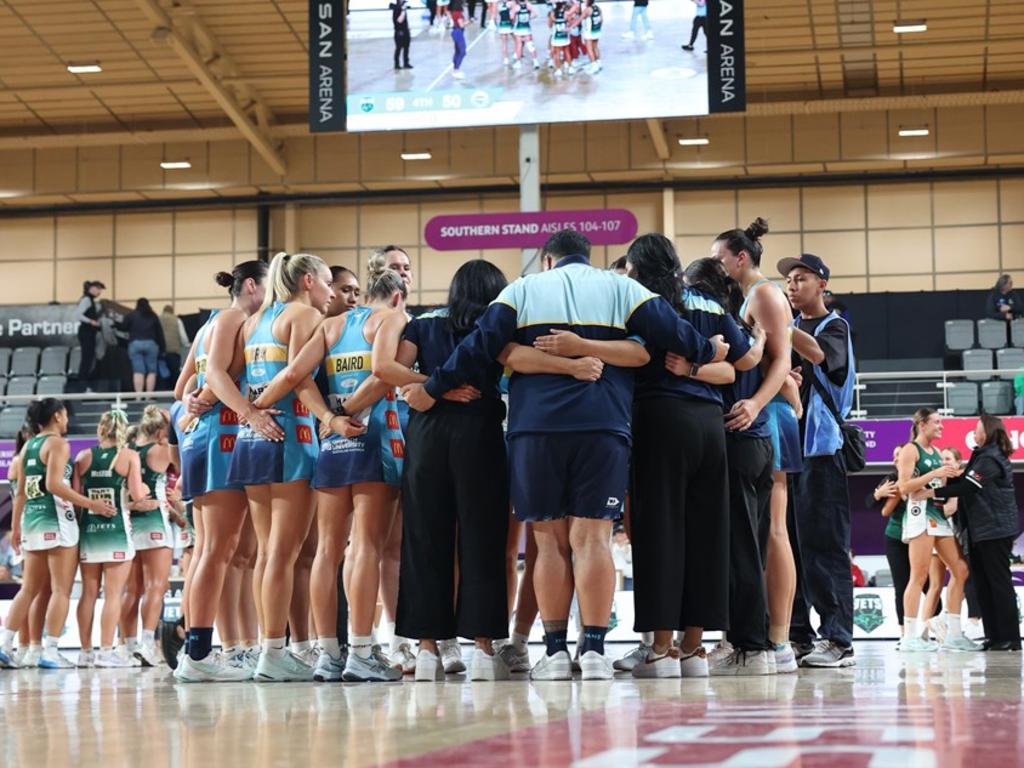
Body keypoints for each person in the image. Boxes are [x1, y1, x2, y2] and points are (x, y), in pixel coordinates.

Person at [403, 228, 727, 682]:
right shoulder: (622, 287)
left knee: (549, 542)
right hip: (603, 426)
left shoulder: (523, 288)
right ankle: (593, 652)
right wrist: (705, 349)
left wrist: (433, 389)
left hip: (536, 430)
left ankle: (555, 654)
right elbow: (676, 334)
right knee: (592, 540)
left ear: (549, 260)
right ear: (588, 257)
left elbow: (477, 349)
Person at [246, 266, 403, 683]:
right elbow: (383, 373)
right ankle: (363, 653)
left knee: (327, 552)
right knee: (365, 547)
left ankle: (328, 655)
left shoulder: (329, 327)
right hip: (374, 437)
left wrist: (320, 418)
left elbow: (297, 377)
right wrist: (349, 412)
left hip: (332, 443)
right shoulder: (390, 319)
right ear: (398, 297)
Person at [626, 245, 764, 679]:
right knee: (707, 535)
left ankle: (662, 650)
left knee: (660, 531)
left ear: (638, 268)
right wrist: (712, 357)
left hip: (659, 420)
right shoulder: (708, 301)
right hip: (710, 425)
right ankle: (695, 648)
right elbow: (739, 362)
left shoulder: (641, 301)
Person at [223, 252, 334, 683]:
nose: (329, 292)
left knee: (268, 555)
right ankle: (273, 651)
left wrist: (249, 412)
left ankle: (268, 647)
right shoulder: (304, 315)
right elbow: (297, 377)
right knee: (283, 556)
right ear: (308, 281)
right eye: (326, 282)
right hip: (289, 435)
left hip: (253, 440)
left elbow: (229, 374)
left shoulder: (255, 321)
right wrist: (267, 407)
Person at [173, 261, 271, 683]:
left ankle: (227, 649)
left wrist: (195, 401)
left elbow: (180, 391)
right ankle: (197, 652)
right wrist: (209, 398)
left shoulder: (206, 325)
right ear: (251, 285)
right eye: (269, 287)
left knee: (224, 551)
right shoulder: (235, 317)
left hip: (204, 437)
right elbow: (219, 374)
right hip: (222, 436)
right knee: (219, 549)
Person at [713, 219, 800, 673]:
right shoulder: (749, 297)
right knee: (760, 531)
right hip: (762, 411)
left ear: (740, 257)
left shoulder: (764, 293)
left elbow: (783, 359)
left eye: (720, 257)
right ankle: (763, 636)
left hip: (766, 416)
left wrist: (755, 402)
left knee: (773, 532)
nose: (716, 265)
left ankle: (778, 641)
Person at [779, 253, 857, 668]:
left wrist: (780, 324)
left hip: (821, 450)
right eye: (788, 281)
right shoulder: (785, 331)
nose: (792, 286)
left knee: (824, 546)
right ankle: (798, 635)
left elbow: (821, 357)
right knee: (787, 544)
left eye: (801, 278)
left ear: (822, 284)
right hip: (786, 448)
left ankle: (838, 639)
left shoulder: (834, 326)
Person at [0, 399, 116, 669]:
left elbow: (19, 494)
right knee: (60, 591)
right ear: (56, 416)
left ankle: (6, 644)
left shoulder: (29, 445)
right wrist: (91, 504)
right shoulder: (58, 444)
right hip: (56, 521)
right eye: (65, 414)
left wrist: (16, 527)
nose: (67, 420)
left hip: (32, 521)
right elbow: (54, 484)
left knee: (29, 589)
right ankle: (49, 651)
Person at [932, 415, 1023, 651]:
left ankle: (1010, 638)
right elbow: (965, 481)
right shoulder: (982, 454)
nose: (974, 431)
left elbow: (969, 486)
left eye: (977, 428)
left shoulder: (991, 458)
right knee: (983, 584)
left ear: (988, 432)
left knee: (999, 583)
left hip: (995, 529)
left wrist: (932, 492)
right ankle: (993, 636)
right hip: (981, 530)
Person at [895, 408, 978, 652]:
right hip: (919, 516)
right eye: (937, 422)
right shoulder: (911, 449)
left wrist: (948, 478)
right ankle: (910, 637)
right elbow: (904, 488)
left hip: (938, 517)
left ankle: (953, 633)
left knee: (961, 570)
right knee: (918, 576)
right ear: (922, 424)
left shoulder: (936, 452)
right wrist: (935, 473)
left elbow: (934, 485)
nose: (941, 426)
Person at [74, 409, 151, 669]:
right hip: (116, 533)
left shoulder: (83, 457)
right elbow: (139, 496)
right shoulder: (129, 456)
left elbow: (75, 499)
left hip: (88, 532)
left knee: (88, 593)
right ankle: (106, 652)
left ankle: (85, 653)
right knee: (114, 594)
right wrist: (147, 491)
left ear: (100, 429)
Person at [122, 406, 175, 667]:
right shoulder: (161, 450)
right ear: (162, 429)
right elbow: (183, 457)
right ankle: (146, 644)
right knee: (157, 586)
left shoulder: (129, 451)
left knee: (132, 590)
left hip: (130, 523)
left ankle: (127, 645)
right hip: (154, 520)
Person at [121, 298, 167, 393]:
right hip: (151, 344)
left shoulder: (131, 315)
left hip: (135, 344)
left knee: (138, 371)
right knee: (151, 371)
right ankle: (148, 396)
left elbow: (123, 327)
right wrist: (163, 348)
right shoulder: (153, 315)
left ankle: (138, 396)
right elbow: (159, 333)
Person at [75, 280, 105, 383]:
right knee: (86, 359)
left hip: (89, 332)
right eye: (98, 289)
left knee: (88, 358)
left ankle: (84, 382)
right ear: (92, 288)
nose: (99, 292)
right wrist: (91, 321)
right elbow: (78, 315)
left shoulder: (88, 299)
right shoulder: (87, 299)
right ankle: (82, 383)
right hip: (86, 332)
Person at [160, 305, 190, 385]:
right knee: (174, 373)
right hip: (173, 351)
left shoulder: (158, 319)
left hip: (161, 352)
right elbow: (183, 336)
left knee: (162, 373)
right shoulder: (177, 320)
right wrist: (187, 344)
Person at [512, 0, 542, 70]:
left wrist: (514, 22)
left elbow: (512, 18)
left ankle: (518, 62)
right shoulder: (529, 6)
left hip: (518, 28)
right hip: (527, 28)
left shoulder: (516, 7)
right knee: (530, 45)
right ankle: (535, 61)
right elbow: (536, 14)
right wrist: (529, 18)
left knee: (519, 45)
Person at [580, 0, 603, 73]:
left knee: (589, 49)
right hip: (596, 30)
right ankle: (598, 63)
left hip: (589, 32)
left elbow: (579, 20)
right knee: (595, 47)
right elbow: (602, 20)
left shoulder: (587, 10)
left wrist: (570, 27)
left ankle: (593, 66)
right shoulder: (597, 8)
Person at [391, 0, 412, 70]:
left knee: (406, 48)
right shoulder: (396, 9)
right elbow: (399, 20)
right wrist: (403, 11)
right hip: (399, 32)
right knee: (399, 48)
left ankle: (406, 63)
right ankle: (396, 64)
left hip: (405, 31)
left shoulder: (403, 9)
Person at [451, 0, 468, 79]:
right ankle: (456, 69)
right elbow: (461, 25)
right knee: (462, 51)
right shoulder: (459, 14)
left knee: (457, 51)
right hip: (458, 32)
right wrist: (470, 21)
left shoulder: (454, 12)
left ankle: (455, 68)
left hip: (455, 32)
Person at [498, 0, 515, 64]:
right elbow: (512, 16)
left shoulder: (499, 5)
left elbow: (499, 14)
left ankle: (506, 59)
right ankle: (516, 54)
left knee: (504, 42)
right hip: (510, 24)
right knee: (517, 40)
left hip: (502, 24)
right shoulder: (512, 3)